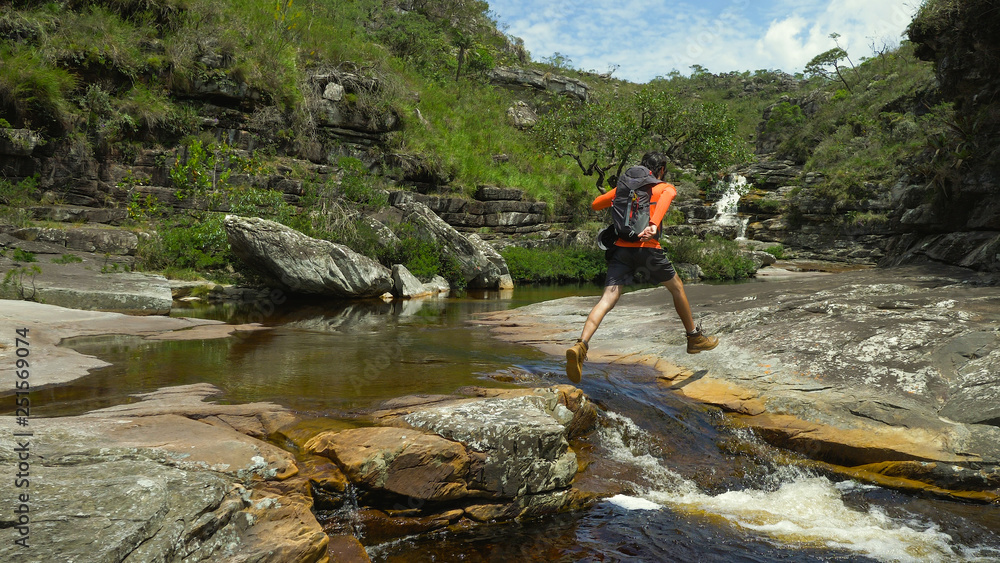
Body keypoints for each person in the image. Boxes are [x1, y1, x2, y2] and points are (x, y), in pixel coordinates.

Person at [565, 151, 719, 383]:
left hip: (621, 250)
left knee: (607, 299)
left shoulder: (623, 190)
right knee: (676, 287)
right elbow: (666, 200)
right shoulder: (664, 187)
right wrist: (654, 224)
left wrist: (620, 200)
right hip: (648, 248)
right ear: (660, 171)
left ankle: (581, 345)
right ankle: (693, 337)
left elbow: (596, 204)